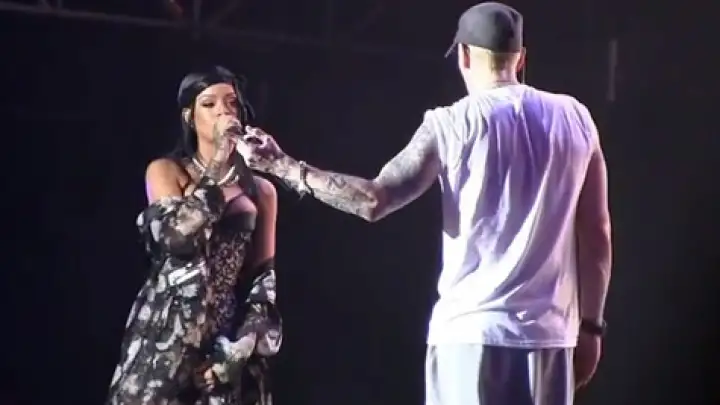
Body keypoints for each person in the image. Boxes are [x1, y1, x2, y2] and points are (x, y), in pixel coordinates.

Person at [236, 2, 612, 405]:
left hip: (471, 336)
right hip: (551, 339)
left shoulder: (451, 124)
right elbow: (597, 233)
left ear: (464, 55)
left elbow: (373, 200)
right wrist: (591, 328)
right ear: (520, 58)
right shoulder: (576, 118)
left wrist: (282, 166)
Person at [106, 66, 282, 405]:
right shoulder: (166, 171)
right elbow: (176, 239)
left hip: (224, 336)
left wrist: (236, 351)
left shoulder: (261, 191)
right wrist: (218, 160)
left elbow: (262, 281)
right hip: (168, 331)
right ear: (190, 116)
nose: (223, 112)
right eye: (209, 104)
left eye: (231, 103)